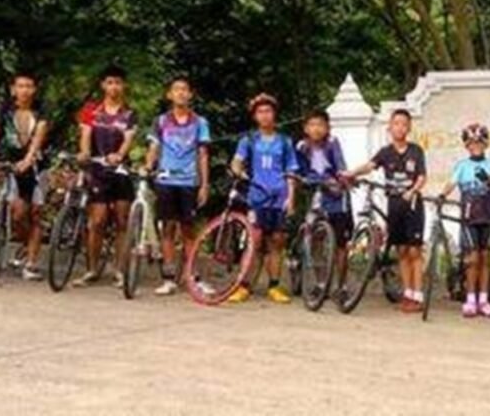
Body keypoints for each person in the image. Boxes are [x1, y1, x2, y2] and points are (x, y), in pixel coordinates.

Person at [341, 109, 427, 313]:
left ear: (409, 127)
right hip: (394, 205)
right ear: (390, 127)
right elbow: (370, 166)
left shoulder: (416, 151)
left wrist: (413, 190)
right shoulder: (385, 152)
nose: (400, 127)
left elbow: (422, 176)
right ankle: (407, 294)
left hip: (413, 204)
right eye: (396, 123)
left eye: (404, 124)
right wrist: (352, 173)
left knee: (414, 251)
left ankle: (418, 295)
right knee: (402, 251)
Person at [228, 93, 298, 304]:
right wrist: (239, 172)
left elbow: (291, 171)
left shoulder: (285, 142)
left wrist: (291, 198)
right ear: (255, 116)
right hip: (257, 196)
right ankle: (244, 285)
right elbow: (236, 162)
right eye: (260, 112)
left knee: (276, 242)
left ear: (274, 114)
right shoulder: (249, 140)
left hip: (279, 196)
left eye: (268, 111)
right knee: (255, 240)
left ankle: (274, 285)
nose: (265, 115)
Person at [144, 76, 211, 296]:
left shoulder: (200, 122)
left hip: (189, 181)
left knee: (189, 230)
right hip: (165, 180)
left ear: (190, 94)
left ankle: (193, 276)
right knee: (168, 228)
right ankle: (169, 277)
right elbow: (154, 147)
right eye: (176, 89)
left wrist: (204, 184)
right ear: (169, 95)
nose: (181, 93)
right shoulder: (161, 121)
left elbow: (203, 154)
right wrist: (148, 166)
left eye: (184, 89)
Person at [0, 71, 49, 281]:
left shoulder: (41, 109)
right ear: (13, 89)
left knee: (35, 213)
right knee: (18, 214)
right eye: (20, 86)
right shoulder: (4, 108)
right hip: (11, 164)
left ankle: (31, 263)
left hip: (37, 166)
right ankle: (26, 245)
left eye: (29, 86)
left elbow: (40, 133)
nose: (24, 90)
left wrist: (28, 159)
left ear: (34, 89)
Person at [74, 65, 138, 288]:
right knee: (98, 221)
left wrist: (119, 155)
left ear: (124, 86)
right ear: (103, 85)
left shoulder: (129, 114)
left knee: (122, 221)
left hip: (120, 171)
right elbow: (85, 135)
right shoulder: (91, 110)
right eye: (110, 82)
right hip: (97, 170)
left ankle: (119, 270)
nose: (114, 87)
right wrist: (84, 153)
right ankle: (92, 269)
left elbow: (129, 139)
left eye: (118, 82)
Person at [294, 109, 353, 302]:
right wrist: (301, 180)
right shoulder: (301, 147)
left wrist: (341, 178)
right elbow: (299, 170)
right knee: (315, 240)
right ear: (305, 128)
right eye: (312, 124)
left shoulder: (332, 143)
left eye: (320, 124)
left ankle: (342, 286)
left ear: (327, 128)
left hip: (336, 196)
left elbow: (340, 165)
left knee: (341, 244)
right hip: (315, 194)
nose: (316, 129)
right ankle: (321, 284)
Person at [443, 123, 490, 318]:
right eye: (471, 143)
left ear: (486, 144)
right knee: (472, 259)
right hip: (469, 217)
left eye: (479, 142)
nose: (476, 146)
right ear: (466, 146)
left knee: (485, 258)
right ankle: (470, 298)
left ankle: (484, 299)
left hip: (488, 216)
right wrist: (442, 195)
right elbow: (451, 183)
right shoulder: (462, 166)